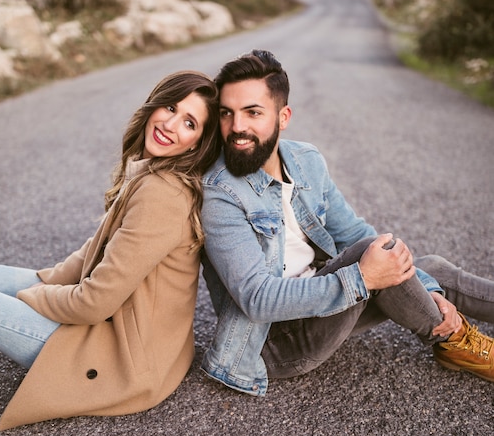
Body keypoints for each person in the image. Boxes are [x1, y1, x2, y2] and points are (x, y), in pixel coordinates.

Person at [200, 49, 494, 397]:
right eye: (226, 114)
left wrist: (428, 288)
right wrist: (363, 277)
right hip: (275, 342)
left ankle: (441, 314)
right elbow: (257, 299)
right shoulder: (219, 193)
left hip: (322, 304)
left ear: (283, 117)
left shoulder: (305, 160)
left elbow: (354, 232)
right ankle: (455, 340)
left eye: (253, 113)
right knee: (374, 257)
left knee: (430, 268)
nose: (237, 127)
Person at [0, 70, 220, 431]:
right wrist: (43, 281)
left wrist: (29, 296)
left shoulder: (163, 194)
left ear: (197, 143)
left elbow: (93, 303)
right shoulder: (150, 174)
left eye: (189, 122)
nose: (171, 124)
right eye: (171, 107)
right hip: (127, 336)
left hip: (123, 357)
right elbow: (88, 255)